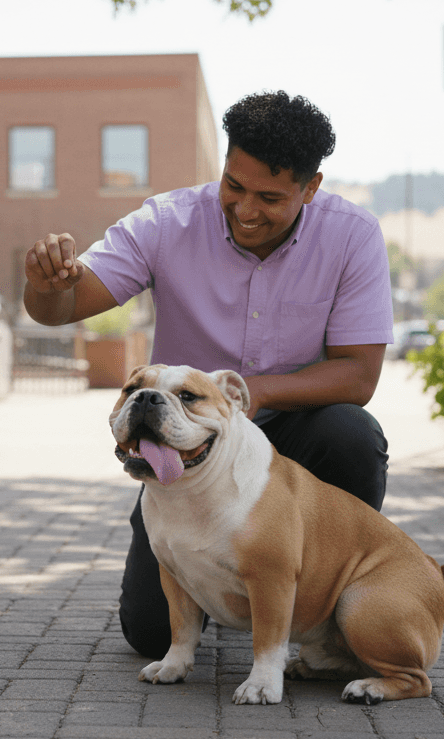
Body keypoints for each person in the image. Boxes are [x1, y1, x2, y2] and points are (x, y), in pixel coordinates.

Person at [23, 91, 394, 659]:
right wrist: (46, 285)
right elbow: (63, 306)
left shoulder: (352, 235)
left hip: (293, 438)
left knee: (353, 434)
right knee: (147, 634)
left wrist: (252, 394)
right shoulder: (166, 221)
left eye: (270, 197)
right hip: (189, 444)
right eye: (234, 186)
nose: (246, 209)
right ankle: (232, 590)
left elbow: (358, 375)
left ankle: (327, 603)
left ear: (310, 188)